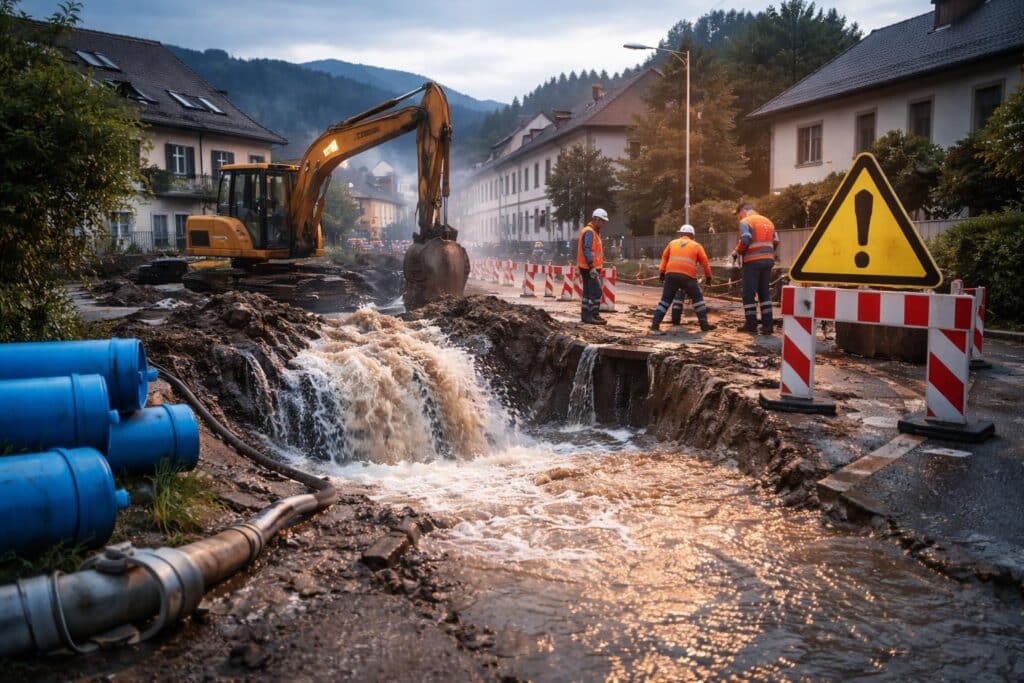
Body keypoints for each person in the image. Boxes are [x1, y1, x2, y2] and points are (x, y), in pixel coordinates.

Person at [651, 224, 716, 334]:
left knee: (665, 300)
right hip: (688, 277)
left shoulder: (672, 243)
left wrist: (662, 272)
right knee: (698, 299)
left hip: (671, 275)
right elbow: (705, 263)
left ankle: (655, 324)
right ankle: (704, 325)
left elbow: (664, 257)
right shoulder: (696, 246)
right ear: (693, 236)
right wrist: (709, 277)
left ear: (680, 234)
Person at [732, 202, 779, 335]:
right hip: (768, 261)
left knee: (748, 294)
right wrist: (768, 253)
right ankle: (768, 326)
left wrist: (737, 252)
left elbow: (746, 239)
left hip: (752, 262)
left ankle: (751, 324)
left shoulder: (746, 221)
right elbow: (776, 241)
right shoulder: (768, 221)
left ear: (742, 211)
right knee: (764, 293)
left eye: (738, 214)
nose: (738, 218)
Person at [577, 208, 609, 325]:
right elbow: (587, 249)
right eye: (602, 221)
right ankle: (592, 315)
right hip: (589, 267)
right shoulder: (590, 232)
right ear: (595, 219)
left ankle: (586, 315)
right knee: (595, 291)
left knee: (587, 292)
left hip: (587, 267)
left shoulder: (593, 231)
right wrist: (592, 266)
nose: (604, 223)